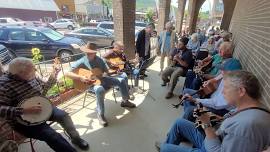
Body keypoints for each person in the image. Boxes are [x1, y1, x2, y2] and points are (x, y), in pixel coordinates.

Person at [156, 70, 270, 152]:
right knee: (179, 123)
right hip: (215, 138)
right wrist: (206, 115)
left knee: (166, 148)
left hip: (211, 146)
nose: (223, 92)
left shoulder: (246, 126)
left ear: (241, 91)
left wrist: (206, 124)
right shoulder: (251, 108)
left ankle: (167, 147)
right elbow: (225, 121)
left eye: (225, 88)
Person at [0, 57, 89, 152]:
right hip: (22, 121)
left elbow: (46, 87)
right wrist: (24, 110)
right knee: (52, 136)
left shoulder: (30, 75)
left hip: (41, 107)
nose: (35, 71)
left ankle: (76, 139)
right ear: (21, 73)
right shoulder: (3, 85)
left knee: (63, 116)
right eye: (32, 70)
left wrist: (55, 73)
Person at [65, 42, 136, 127]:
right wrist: (80, 78)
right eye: (86, 52)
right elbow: (67, 73)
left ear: (95, 52)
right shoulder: (82, 61)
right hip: (90, 84)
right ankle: (100, 114)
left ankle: (125, 101)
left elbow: (107, 72)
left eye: (90, 52)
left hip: (101, 79)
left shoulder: (99, 60)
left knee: (120, 80)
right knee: (100, 89)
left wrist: (116, 71)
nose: (87, 54)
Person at [181, 58, 242, 122]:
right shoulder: (226, 76)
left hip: (219, 109)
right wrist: (209, 82)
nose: (221, 72)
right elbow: (215, 80)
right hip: (211, 99)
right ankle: (190, 118)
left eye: (224, 70)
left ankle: (189, 119)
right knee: (186, 92)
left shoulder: (233, 88)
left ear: (233, 73)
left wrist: (195, 100)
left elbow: (216, 104)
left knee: (190, 110)